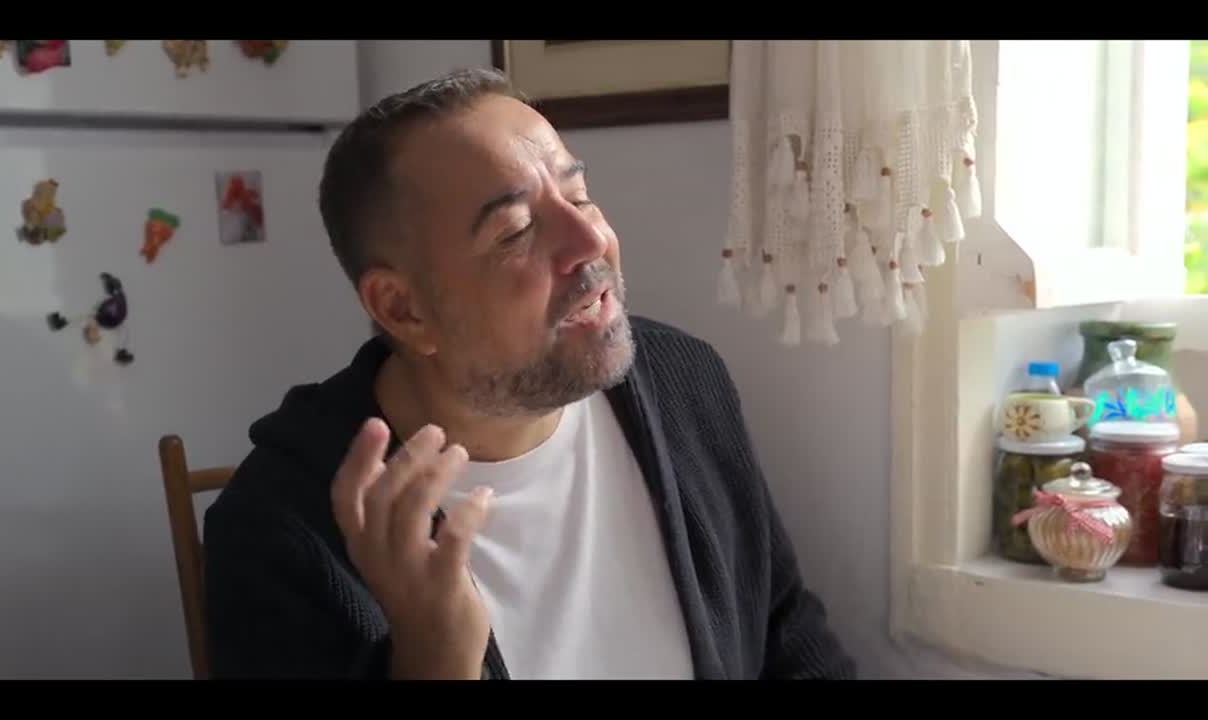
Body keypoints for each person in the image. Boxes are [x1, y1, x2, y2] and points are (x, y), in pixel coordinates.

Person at [201, 66, 856, 681]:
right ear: (403, 308)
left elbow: (784, 630)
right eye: (515, 231)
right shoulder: (281, 531)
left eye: (579, 195)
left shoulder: (685, 384)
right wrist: (433, 657)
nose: (590, 241)